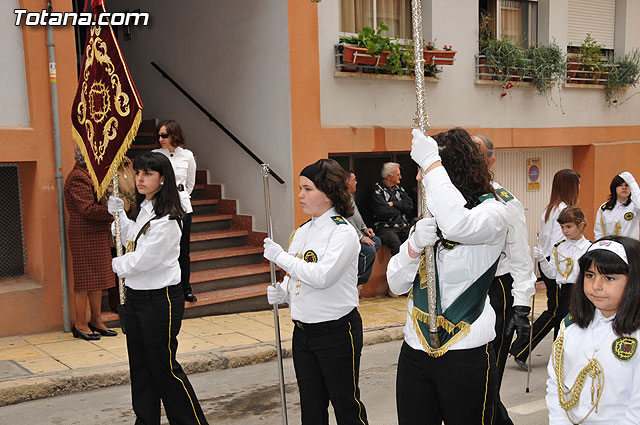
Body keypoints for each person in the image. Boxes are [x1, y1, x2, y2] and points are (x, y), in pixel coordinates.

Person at [387, 128, 508, 424]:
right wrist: (414, 246)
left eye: (423, 171)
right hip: (415, 349)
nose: (418, 178)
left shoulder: (493, 213)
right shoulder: (429, 217)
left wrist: (431, 163)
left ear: (449, 169)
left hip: (465, 352)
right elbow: (395, 283)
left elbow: (457, 225)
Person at [263, 159, 368, 425]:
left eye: (308, 189)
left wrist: (280, 258)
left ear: (329, 192)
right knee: (311, 406)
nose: (300, 195)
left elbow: (322, 276)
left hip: (336, 331)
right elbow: (297, 274)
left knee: (346, 404)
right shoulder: (302, 231)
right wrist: (283, 291)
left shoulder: (342, 233)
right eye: (300, 188)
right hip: (304, 332)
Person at [108, 152, 208, 425]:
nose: (140, 178)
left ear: (163, 179)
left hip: (160, 299)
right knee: (140, 369)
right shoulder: (146, 208)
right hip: (136, 298)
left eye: (148, 174)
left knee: (164, 367)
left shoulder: (170, 219)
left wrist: (117, 264)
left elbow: (143, 259)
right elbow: (132, 237)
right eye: (138, 173)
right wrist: (119, 216)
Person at [473, 134, 536, 425]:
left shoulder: (504, 201)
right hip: (460, 291)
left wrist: (521, 307)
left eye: (476, 153)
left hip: (495, 289)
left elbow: (521, 258)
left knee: (487, 381)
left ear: (490, 161)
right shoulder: (448, 199)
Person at [546, 236, 640, 424]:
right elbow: (556, 385)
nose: (596, 286)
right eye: (590, 275)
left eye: (609, 278)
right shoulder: (571, 325)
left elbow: (636, 410)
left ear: (633, 282)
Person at [509, 168, 580, 369]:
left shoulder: (551, 208)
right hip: (559, 265)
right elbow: (560, 243)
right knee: (557, 311)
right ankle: (522, 347)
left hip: (550, 261)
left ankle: (559, 351)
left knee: (562, 310)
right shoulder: (563, 209)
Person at [511, 206, 591, 370]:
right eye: (562, 227)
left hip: (581, 291)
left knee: (574, 324)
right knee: (562, 322)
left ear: (581, 225)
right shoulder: (559, 247)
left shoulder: (589, 248)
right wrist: (541, 260)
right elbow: (553, 274)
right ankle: (559, 358)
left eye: (569, 227)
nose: (565, 231)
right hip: (565, 290)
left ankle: (571, 358)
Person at [64, 145, 117, 340]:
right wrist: (112, 213)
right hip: (84, 235)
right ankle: (80, 324)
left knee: (99, 280)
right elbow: (86, 209)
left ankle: (96, 320)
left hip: (95, 233)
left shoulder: (89, 174)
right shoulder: (79, 176)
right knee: (84, 282)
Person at [153, 119, 198, 303]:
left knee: (183, 249)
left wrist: (181, 196)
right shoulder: (156, 155)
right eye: (159, 135)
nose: (161, 139)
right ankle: (165, 287)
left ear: (174, 135)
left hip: (183, 205)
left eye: (164, 135)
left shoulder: (187, 156)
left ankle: (185, 288)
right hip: (163, 205)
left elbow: (190, 183)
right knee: (164, 247)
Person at [369, 162, 413, 256]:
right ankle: (398, 270)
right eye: (398, 174)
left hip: (403, 226)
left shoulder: (399, 188)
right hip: (385, 228)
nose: (400, 177)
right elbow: (383, 212)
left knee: (414, 242)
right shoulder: (377, 189)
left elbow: (409, 206)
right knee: (397, 245)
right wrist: (401, 206)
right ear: (389, 176)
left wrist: (394, 204)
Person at [346, 171, 381, 286]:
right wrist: (361, 237)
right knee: (368, 250)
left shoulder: (350, 197)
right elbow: (348, 220)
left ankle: (355, 269)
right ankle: (356, 281)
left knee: (376, 241)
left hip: (358, 231)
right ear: (347, 182)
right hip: (349, 235)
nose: (356, 182)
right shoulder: (342, 198)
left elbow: (356, 215)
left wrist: (364, 228)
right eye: (354, 180)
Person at [594, 172, 640, 240]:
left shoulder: (634, 206)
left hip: (629, 248)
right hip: (610, 248)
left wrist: (632, 182)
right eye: (620, 185)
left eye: (627, 185)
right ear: (614, 188)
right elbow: (599, 232)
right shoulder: (604, 208)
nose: (624, 188)